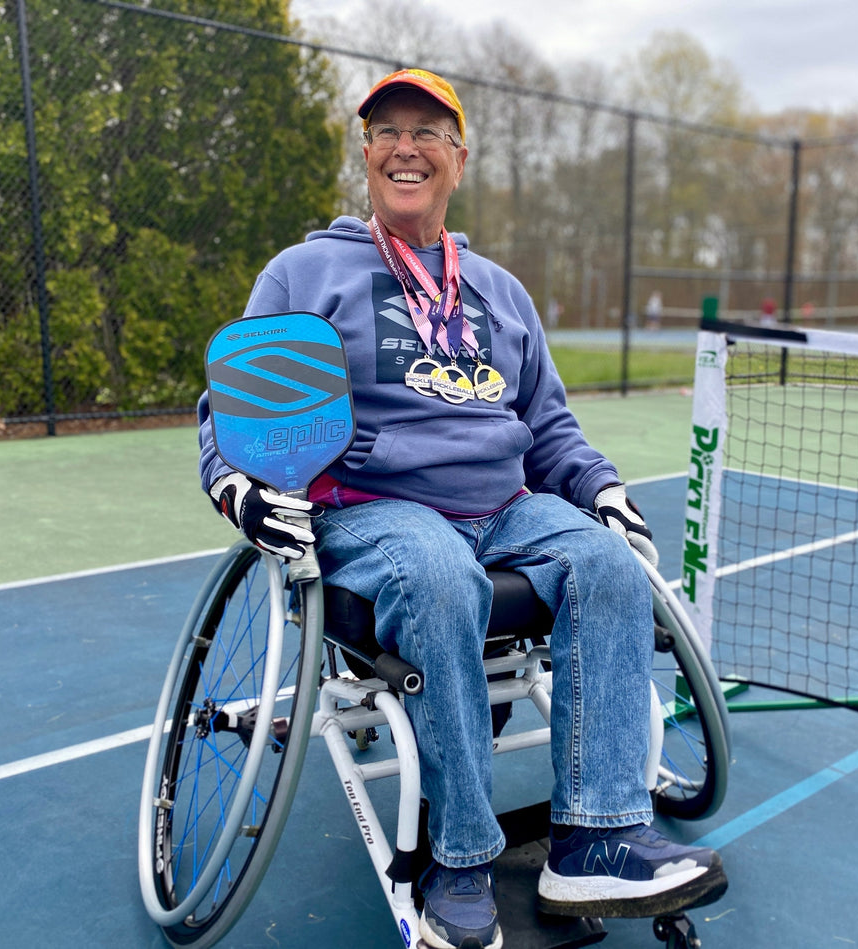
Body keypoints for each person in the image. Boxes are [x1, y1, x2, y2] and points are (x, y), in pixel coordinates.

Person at [197, 68, 727, 949]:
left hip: (505, 505)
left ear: (459, 158)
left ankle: (593, 840)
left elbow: (547, 424)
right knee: (439, 573)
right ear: (367, 153)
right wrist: (236, 483)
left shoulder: (502, 291)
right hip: (373, 506)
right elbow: (236, 408)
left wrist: (598, 487)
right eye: (387, 132)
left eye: (427, 133)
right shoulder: (304, 272)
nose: (405, 148)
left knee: (607, 565)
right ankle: (461, 856)